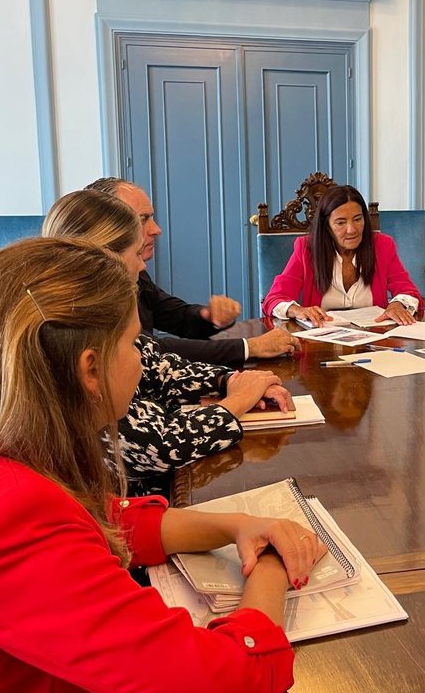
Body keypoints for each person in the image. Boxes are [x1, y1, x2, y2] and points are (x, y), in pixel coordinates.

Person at [0, 237, 326, 693]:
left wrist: (237, 525)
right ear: (90, 370)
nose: (142, 361)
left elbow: (99, 519)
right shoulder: (7, 516)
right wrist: (271, 565)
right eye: (132, 343)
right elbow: (221, 684)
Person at [42, 190, 291, 496]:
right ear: (104, 257)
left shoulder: (107, 306)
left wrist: (232, 380)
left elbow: (159, 364)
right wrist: (238, 399)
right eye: (135, 254)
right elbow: (160, 446)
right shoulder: (71, 337)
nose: (142, 266)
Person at [86, 177, 298, 367]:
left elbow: (176, 316)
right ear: (109, 226)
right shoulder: (94, 286)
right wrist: (249, 347)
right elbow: (153, 352)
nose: (156, 229)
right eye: (143, 219)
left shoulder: (135, 270)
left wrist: (209, 316)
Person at [261, 184, 423, 326]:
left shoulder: (382, 245)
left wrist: (397, 305)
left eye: (358, 219)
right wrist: (296, 310)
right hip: (320, 344)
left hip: (375, 342)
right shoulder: (306, 248)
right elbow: (274, 299)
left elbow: (408, 290)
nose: (352, 229)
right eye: (341, 222)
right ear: (326, 226)